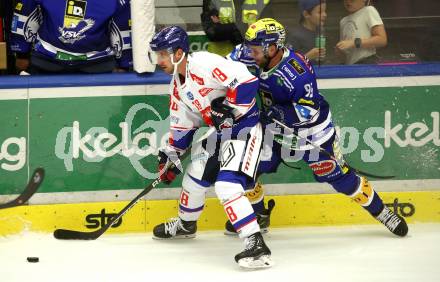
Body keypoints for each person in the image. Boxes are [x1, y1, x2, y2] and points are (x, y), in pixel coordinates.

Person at [228, 18, 408, 237]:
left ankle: (382, 212)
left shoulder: (297, 72)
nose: (250, 54)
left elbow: (308, 110)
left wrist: (277, 113)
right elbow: (226, 64)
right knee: (245, 172)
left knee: (343, 181)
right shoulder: (254, 54)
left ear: (272, 48)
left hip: (311, 136)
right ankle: (260, 215)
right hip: (273, 132)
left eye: (255, 50)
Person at [149, 25, 273, 269]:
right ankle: (187, 225)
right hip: (220, 134)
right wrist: (171, 156)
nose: (159, 60)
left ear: (178, 53)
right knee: (194, 177)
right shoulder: (177, 86)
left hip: (244, 130)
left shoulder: (205, 63)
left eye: (163, 54)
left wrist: (228, 107)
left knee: (227, 185)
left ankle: (255, 243)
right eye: (158, 54)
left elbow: (247, 82)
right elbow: (183, 127)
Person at [10, 0, 132, 74]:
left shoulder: (119, 2)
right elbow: (24, 15)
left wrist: (124, 65)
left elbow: (123, 27)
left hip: (97, 66)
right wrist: (21, 53)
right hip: (47, 63)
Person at [336, 0, 387, 64]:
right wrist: (340, 52)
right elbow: (345, 56)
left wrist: (354, 43)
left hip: (367, 62)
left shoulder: (369, 11)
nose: (348, 1)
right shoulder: (343, 21)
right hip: (350, 66)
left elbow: (382, 39)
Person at [287, 0, 327, 65]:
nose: (325, 15)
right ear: (306, 14)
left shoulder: (321, 31)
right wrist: (307, 57)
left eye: (325, 11)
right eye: (320, 12)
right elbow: (287, 64)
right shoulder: (295, 36)